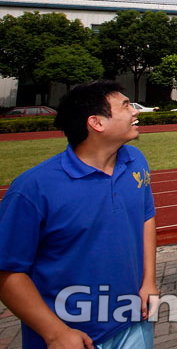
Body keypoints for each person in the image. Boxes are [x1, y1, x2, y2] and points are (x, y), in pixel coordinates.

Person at [0, 80, 158, 349]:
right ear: (97, 123)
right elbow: (7, 271)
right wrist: (54, 333)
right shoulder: (33, 189)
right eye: (126, 106)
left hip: (134, 320)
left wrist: (149, 281)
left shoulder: (135, 160)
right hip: (74, 337)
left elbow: (146, 217)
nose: (136, 112)